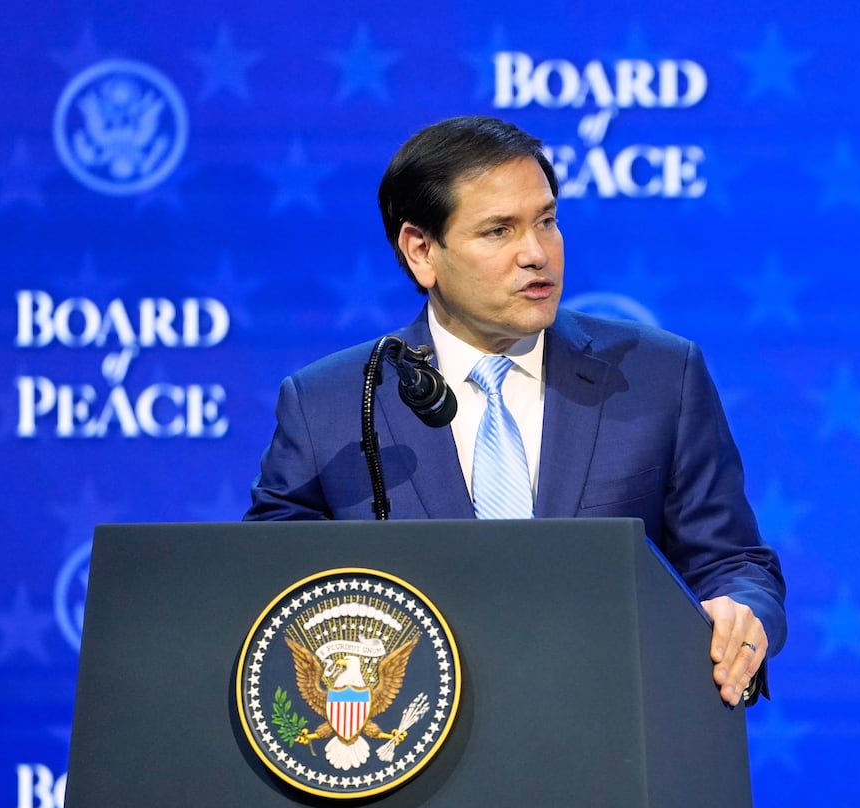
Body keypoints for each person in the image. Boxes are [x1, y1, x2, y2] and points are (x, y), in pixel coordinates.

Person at [245, 116, 784, 706]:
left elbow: (733, 561)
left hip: (613, 740)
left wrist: (742, 614)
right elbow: (269, 597)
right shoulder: (332, 403)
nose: (536, 254)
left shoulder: (656, 376)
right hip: (407, 754)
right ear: (422, 251)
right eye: (499, 231)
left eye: (547, 222)